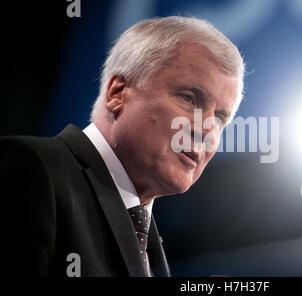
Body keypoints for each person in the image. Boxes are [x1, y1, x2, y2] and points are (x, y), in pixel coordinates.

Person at [0, 16, 245, 277]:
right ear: (118, 93)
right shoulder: (32, 169)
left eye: (220, 118)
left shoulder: (148, 241)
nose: (206, 130)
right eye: (189, 98)